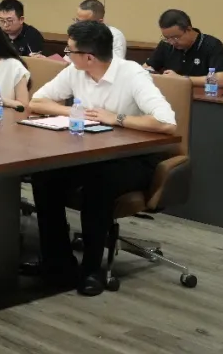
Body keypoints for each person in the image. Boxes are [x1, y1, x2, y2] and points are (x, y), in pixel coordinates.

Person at [27, 20, 176, 296]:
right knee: (45, 175)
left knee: (99, 183)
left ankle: (91, 269)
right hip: (90, 153)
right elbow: (37, 101)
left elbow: (167, 122)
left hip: (134, 158)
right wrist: (75, 113)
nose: (66, 54)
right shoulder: (75, 71)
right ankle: (57, 263)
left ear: (89, 57)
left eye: (70, 50)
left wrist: (116, 118)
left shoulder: (131, 74)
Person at [144, 9, 223, 87]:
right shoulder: (166, 44)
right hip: (170, 93)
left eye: (176, 37)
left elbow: (221, 80)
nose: (171, 42)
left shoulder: (212, 45)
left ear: (188, 29)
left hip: (201, 96)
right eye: (167, 38)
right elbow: (146, 68)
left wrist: (182, 79)